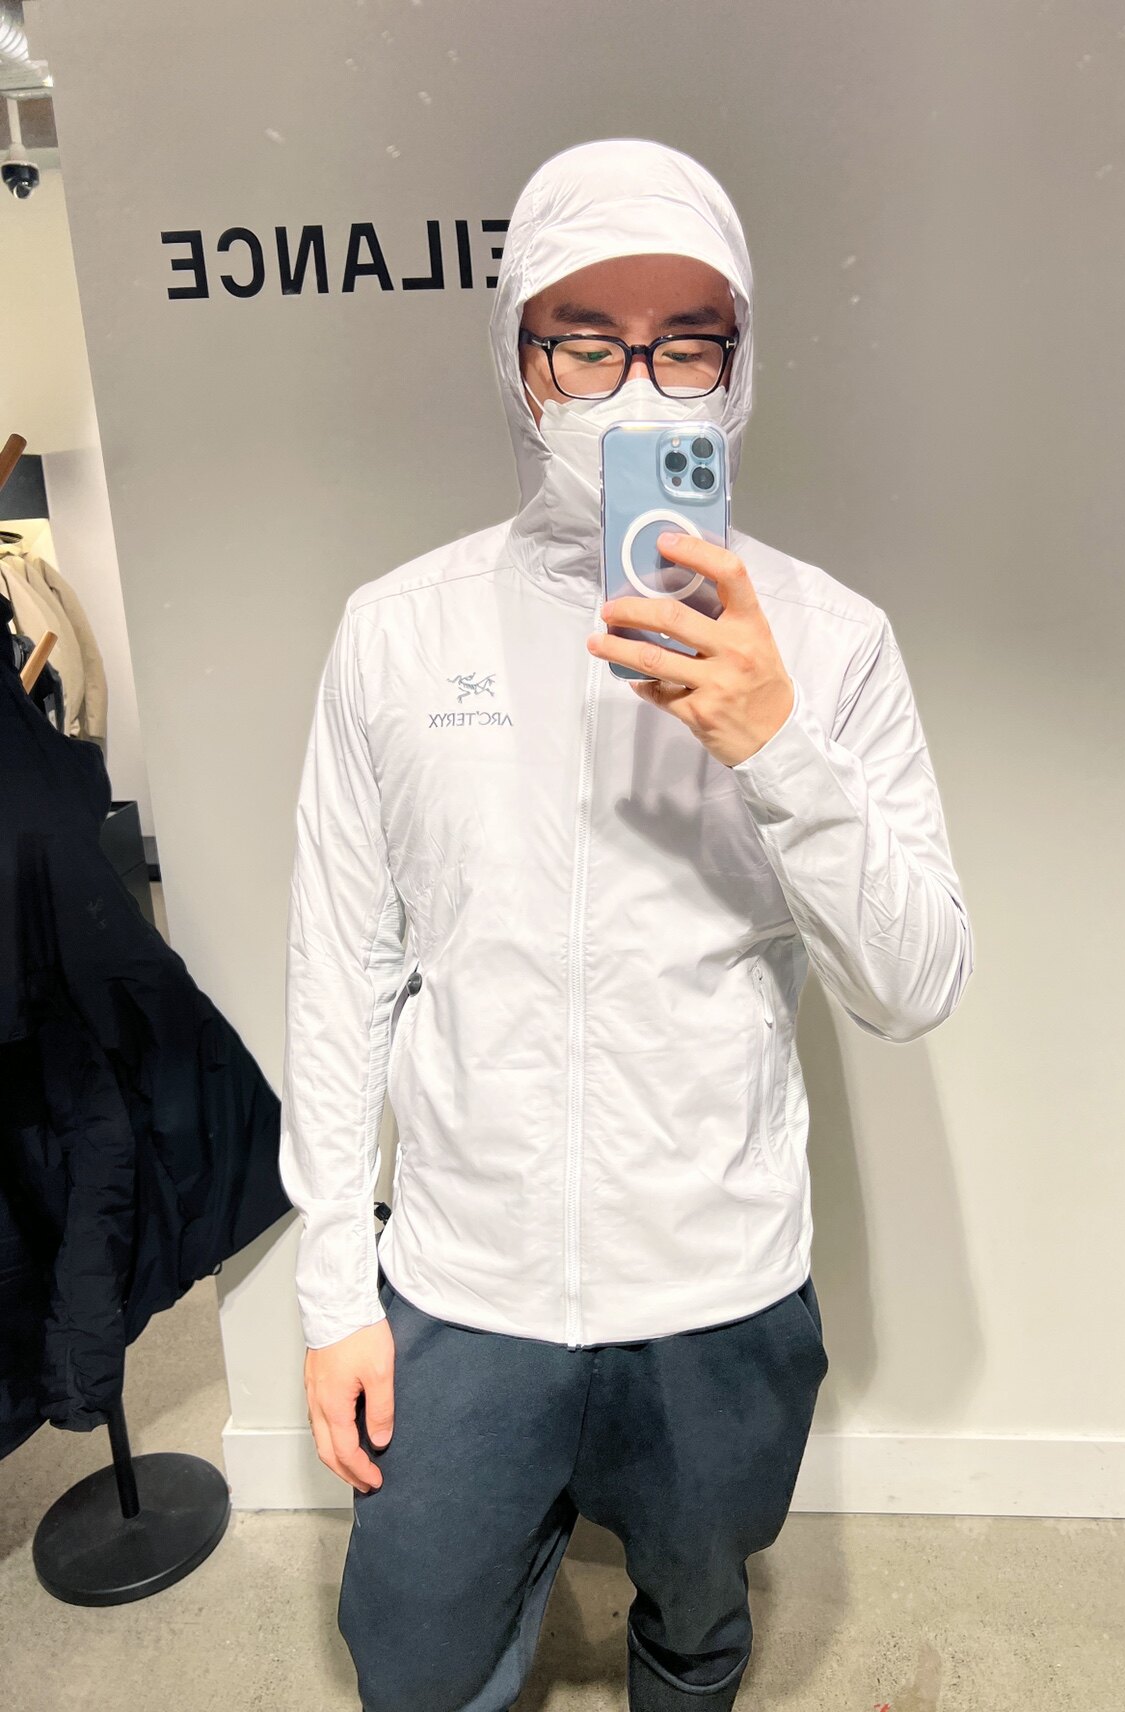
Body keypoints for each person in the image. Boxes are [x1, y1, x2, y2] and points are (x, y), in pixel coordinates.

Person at [279, 137, 974, 1712]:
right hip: (465, 1283)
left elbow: (916, 981)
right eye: (586, 345)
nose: (637, 391)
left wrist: (778, 747)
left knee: (700, 1625)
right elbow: (341, 977)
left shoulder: (829, 644)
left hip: (718, 1287)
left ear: (739, 366)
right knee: (417, 1665)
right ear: (521, 361)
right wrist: (333, 1293)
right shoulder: (399, 634)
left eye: (686, 345)